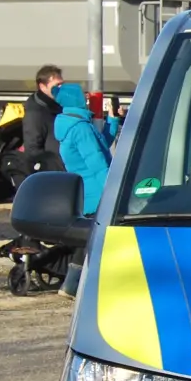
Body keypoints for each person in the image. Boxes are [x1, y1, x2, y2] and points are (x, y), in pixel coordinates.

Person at [52, 82, 119, 297]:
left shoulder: (72, 124)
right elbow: (97, 162)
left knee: (89, 239)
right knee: (96, 239)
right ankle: (73, 285)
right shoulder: (80, 128)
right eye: (83, 96)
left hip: (87, 189)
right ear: (77, 100)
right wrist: (114, 189)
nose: (87, 99)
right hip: (96, 190)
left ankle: (72, 285)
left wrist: (112, 119)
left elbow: (100, 143)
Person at [21, 64, 65, 176]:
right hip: (52, 172)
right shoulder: (35, 112)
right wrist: (54, 164)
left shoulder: (58, 105)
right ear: (42, 86)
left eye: (62, 84)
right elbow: (32, 149)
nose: (61, 88)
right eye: (57, 85)